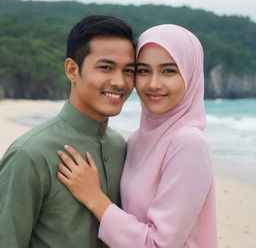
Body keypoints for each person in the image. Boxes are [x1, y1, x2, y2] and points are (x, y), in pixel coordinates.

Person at [57, 24, 218, 248]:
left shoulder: (188, 143)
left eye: (168, 71)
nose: (153, 84)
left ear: (190, 75)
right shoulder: (135, 141)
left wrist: (95, 198)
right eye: (143, 71)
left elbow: (158, 244)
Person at [0, 15, 136, 247]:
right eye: (106, 67)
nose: (120, 82)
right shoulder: (30, 154)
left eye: (129, 70)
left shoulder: (122, 147)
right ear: (72, 70)